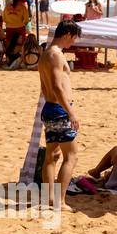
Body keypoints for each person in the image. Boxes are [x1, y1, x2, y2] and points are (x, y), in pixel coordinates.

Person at [39, 21, 83, 199]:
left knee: (52, 155)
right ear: (67, 34)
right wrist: (70, 113)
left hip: (50, 107)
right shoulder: (56, 54)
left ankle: (49, 198)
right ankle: (60, 200)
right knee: (71, 156)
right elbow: (57, 87)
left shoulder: (45, 54)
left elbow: (45, 87)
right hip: (59, 109)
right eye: (73, 38)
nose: (73, 42)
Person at [2, 0, 31, 65]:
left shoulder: (6, 7)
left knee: (9, 43)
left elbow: (4, 18)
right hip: (20, 27)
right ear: (20, 1)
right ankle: (21, 59)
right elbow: (26, 20)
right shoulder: (23, 8)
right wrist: (21, 23)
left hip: (9, 27)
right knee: (21, 43)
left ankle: (8, 59)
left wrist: (9, 23)